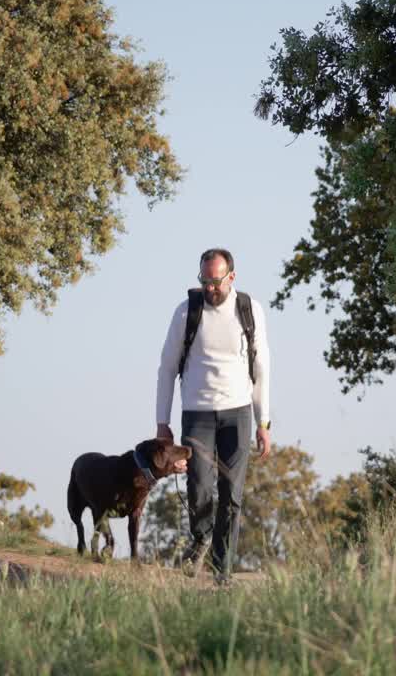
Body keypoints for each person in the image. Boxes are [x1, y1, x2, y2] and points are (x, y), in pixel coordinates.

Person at [155, 247, 271, 583]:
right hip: (197, 412)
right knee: (200, 486)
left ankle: (223, 569)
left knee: (232, 493)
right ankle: (202, 537)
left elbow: (262, 367)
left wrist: (263, 422)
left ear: (231, 277)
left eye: (215, 282)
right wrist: (162, 423)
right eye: (204, 281)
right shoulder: (185, 313)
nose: (210, 288)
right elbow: (166, 369)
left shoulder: (250, 311)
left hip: (238, 413)